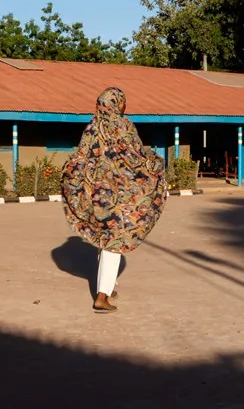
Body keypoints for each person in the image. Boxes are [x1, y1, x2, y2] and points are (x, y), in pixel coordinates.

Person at [60, 87, 167, 314]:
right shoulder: (124, 126)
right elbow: (136, 157)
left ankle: (105, 287)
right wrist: (154, 165)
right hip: (119, 196)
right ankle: (102, 297)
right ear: (118, 104)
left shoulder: (92, 127)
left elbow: (81, 157)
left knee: (104, 237)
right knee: (115, 242)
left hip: (96, 195)